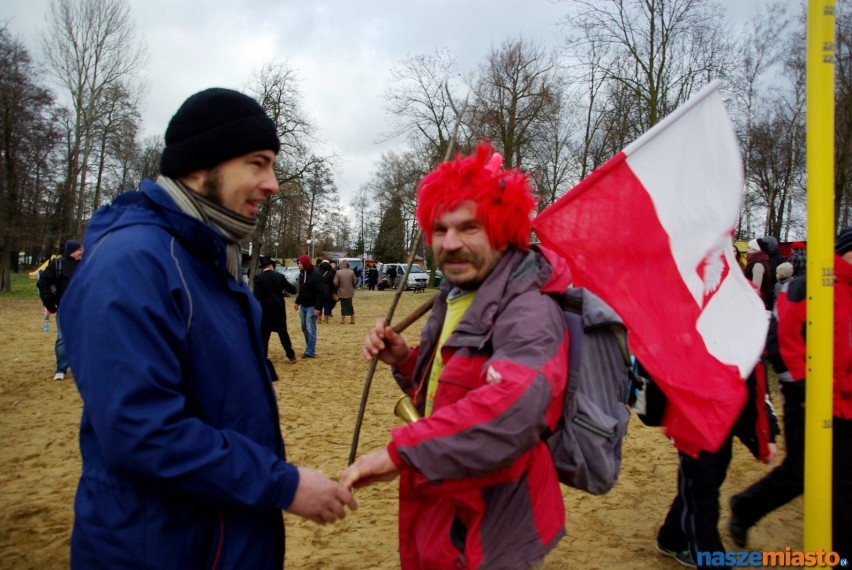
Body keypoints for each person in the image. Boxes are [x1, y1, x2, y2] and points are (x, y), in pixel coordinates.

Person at [59, 88, 356, 569]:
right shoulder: (133, 262)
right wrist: (283, 483)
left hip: (222, 540)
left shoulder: (202, 259)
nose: (273, 183)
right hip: (160, 549)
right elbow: (141, 433)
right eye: (257, 164)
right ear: (199, 166)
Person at [341, 142, 571, 569]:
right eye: (440, 229)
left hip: (491, 523)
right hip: (441, 501)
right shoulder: (455, 295)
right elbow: (449, 389)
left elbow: (514, 409)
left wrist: (399, 452)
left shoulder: (529, 308)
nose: (450, 244)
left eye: (469, 228)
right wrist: (405, 361)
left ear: (502, 228)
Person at [730, 229, 852, 564]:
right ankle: (747, 506)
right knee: (802, 472)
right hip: (809, 401)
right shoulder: (808, 286)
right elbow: (782, 339)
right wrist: (802, 389)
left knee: (839, 480)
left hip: (846, 404)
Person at [656, 363, 778, 568]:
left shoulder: (745, 337)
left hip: (724, 415)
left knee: (711, 476)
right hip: (694, 418)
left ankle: (672, 536)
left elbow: (756, 375)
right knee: (701, 493)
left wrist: (768, 430)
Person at [37, 239, 83, 380]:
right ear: (71, 251)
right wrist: (50, 304)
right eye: (79, 249)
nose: (82, 251)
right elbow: (43, 283)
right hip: (64, 308)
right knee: (62, 338)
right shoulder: (57, 265)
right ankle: (61, 368)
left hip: (85, 308)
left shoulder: (86, 265)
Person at [253, 255, 297, 365]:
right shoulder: (280, 276)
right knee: (283, 332)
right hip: (278, 307)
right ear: (271, 266)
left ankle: (263, 357)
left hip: (265, 307)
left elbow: (256, 296)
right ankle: (290, 355)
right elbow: (293, 290)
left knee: (264, 334)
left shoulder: (258, 278)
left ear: (263, 268)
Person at [294, 254, 324, 358]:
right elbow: (302, 290)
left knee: (310, 328)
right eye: (298, 263)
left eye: (300, 263)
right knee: (304, 327)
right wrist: (297, 301)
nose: (299, 265)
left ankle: (310, 351)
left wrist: (318, 308)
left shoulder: (316, 275)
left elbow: (320, 293)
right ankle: (309, 347)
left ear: (305, 263)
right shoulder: (302, 274)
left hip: (312, 307)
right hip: (303, 305)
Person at [744, 238, 772, 310]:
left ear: (755, 249)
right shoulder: (755, 262)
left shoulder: (758, 264)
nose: (747, 250)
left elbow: (756, 287)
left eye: (749, 248)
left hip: (754, 302)